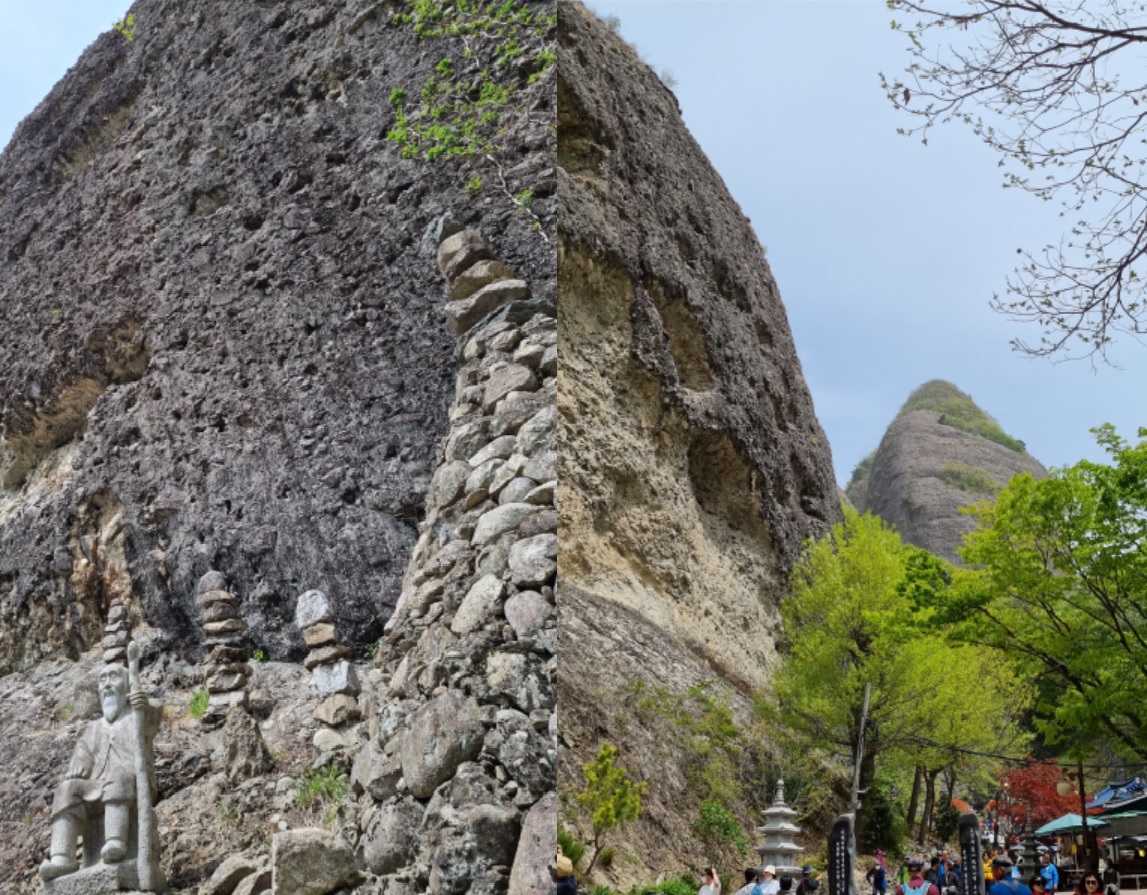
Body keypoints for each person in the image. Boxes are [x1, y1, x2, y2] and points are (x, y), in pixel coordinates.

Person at [39, 663, 162, 881]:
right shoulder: (93, 727)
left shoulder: (137, 714)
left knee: (118, 774)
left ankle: (116, 842)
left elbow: (153, 718)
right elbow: (83, 752)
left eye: (113, 678)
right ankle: (62, 859)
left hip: (132, 782)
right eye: (102, 680)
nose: (107, 685)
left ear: (127, 686)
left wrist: (144, 704)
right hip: (97, 785)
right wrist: (79, 766)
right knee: (67, 789)